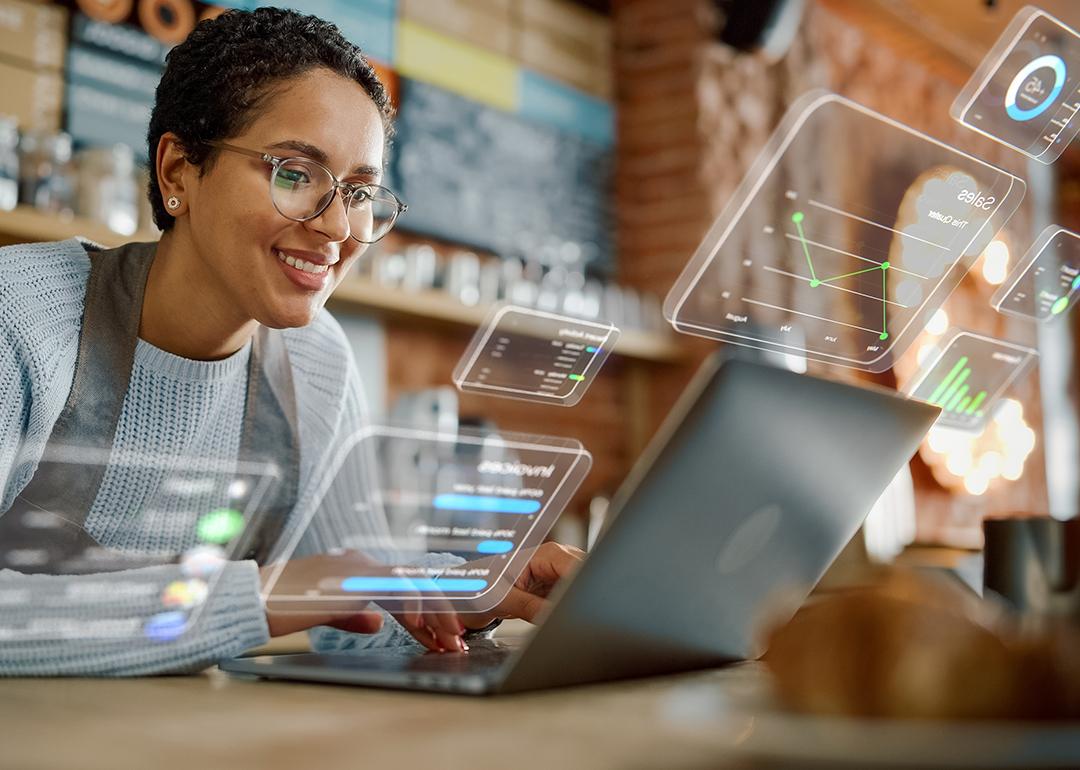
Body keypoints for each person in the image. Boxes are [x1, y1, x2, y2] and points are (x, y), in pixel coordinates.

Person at [0, 7, 583, 676]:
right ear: (178, 172)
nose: (337, 226)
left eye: (360, 191)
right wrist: (265, 596)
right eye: (295, 174)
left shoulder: (317, 363)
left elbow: (353, 610)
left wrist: (467, 588)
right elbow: (293, 595)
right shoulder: (20, 315)